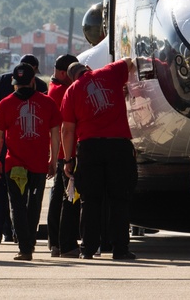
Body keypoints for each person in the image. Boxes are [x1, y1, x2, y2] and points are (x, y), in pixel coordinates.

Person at [60, 58, 138, 260]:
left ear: (71, 78)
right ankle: (120, 249)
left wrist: (68, 160)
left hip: (89, 147)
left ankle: (88, 249)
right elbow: (129, 62)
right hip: (118, 145)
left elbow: (67, 130)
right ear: (87, 68)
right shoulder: (109, 72)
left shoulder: (72, 91)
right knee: (119, 199)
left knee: (90, 201)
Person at [0, 63, 62, 261]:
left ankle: (25, 248)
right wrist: (53, 160)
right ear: (33, 81)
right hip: (38, 165)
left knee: (17, 205)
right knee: (34, 205)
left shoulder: (6, 103)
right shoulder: (47, 103)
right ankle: (28, 244)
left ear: (15, 83)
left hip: (14, 165)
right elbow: (55, 135)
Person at [0, 53, 49, 244]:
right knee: (28, 198)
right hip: (32, 151)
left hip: (8, 148)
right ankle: (19, 235)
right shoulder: (41, 87)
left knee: (4, 191)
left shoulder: (3, 81)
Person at [46, 53, 82, 258]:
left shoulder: (54, 88)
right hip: (66, 151)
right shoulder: (64, 91)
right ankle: (66, 242)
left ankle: (55, 242)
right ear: (62, 73)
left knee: (57, 197)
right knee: (70, 198)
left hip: (59, 151)